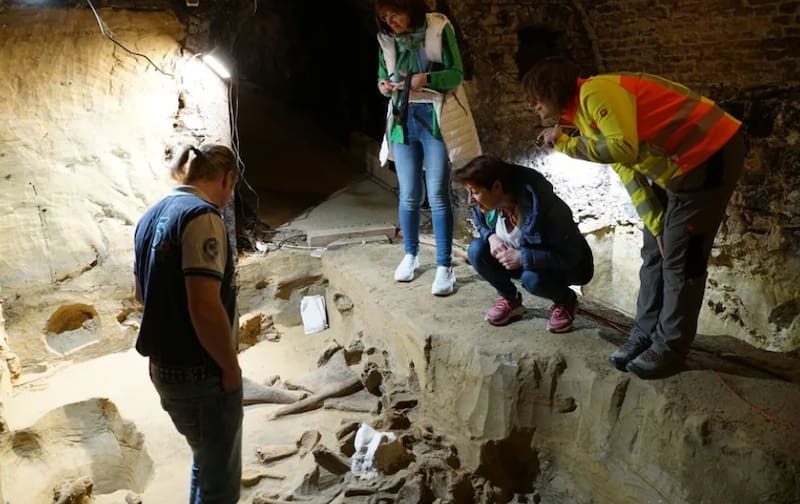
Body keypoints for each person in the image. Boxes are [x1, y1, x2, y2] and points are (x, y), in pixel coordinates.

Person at [524, 57, 745, 377]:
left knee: (682, 260)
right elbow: (628, 171)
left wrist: (565, 143)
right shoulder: (583, 117)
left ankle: (670, 348)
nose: (534, 107)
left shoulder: (597, 94)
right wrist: (655, 224)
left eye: (536, 99)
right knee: (655, 251)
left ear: (553, 90)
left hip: (710, 154)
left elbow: (623, 148)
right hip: (678, 168)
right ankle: (643, 336)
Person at [133, 144, 243, 503]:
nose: (229, 199)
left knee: (205, 461)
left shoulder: (151, 215)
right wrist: (230, 368)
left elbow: (140, 294)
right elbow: (204, 308)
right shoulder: (203, 218)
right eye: (232, 188)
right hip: (200, 374)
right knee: (220, 489)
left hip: (163, 368)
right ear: (227, 179)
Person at [375, 0, 479, 296]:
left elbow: (456, 73)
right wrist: (383, 85)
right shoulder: (387, 39)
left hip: (435, 118)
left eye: (395, 13)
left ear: (409, 7)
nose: (390, 21)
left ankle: (444, 266)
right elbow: (382, 75)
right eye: (385, 17)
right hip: (402, 118)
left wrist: (428, 78)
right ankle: (410, 253)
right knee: (408, 193)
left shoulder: (438, 29)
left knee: (437, 192)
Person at [454, 155, 594, 332]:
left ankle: (565, 300)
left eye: (474, 192)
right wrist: (491, 236)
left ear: (497, 186)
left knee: (532, 280)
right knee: (476, 250)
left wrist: (523, 257)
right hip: (524, 261)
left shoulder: (546, 210)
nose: (470, 200)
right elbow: (480, 223)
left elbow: (571, 256)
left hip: (561, 267)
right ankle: (510, 300)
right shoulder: (487, 206)